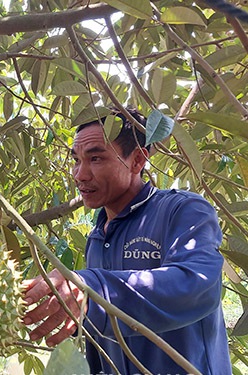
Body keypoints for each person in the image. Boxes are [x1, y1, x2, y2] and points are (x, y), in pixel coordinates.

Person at [23, 109, 231, 374]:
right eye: (76, 160)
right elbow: (101, 334)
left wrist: (91, 288)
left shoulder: (184, 210)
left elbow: (197, 286)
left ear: (137, 160)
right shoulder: (97, 238)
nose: (80, 174)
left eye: (96, 158)